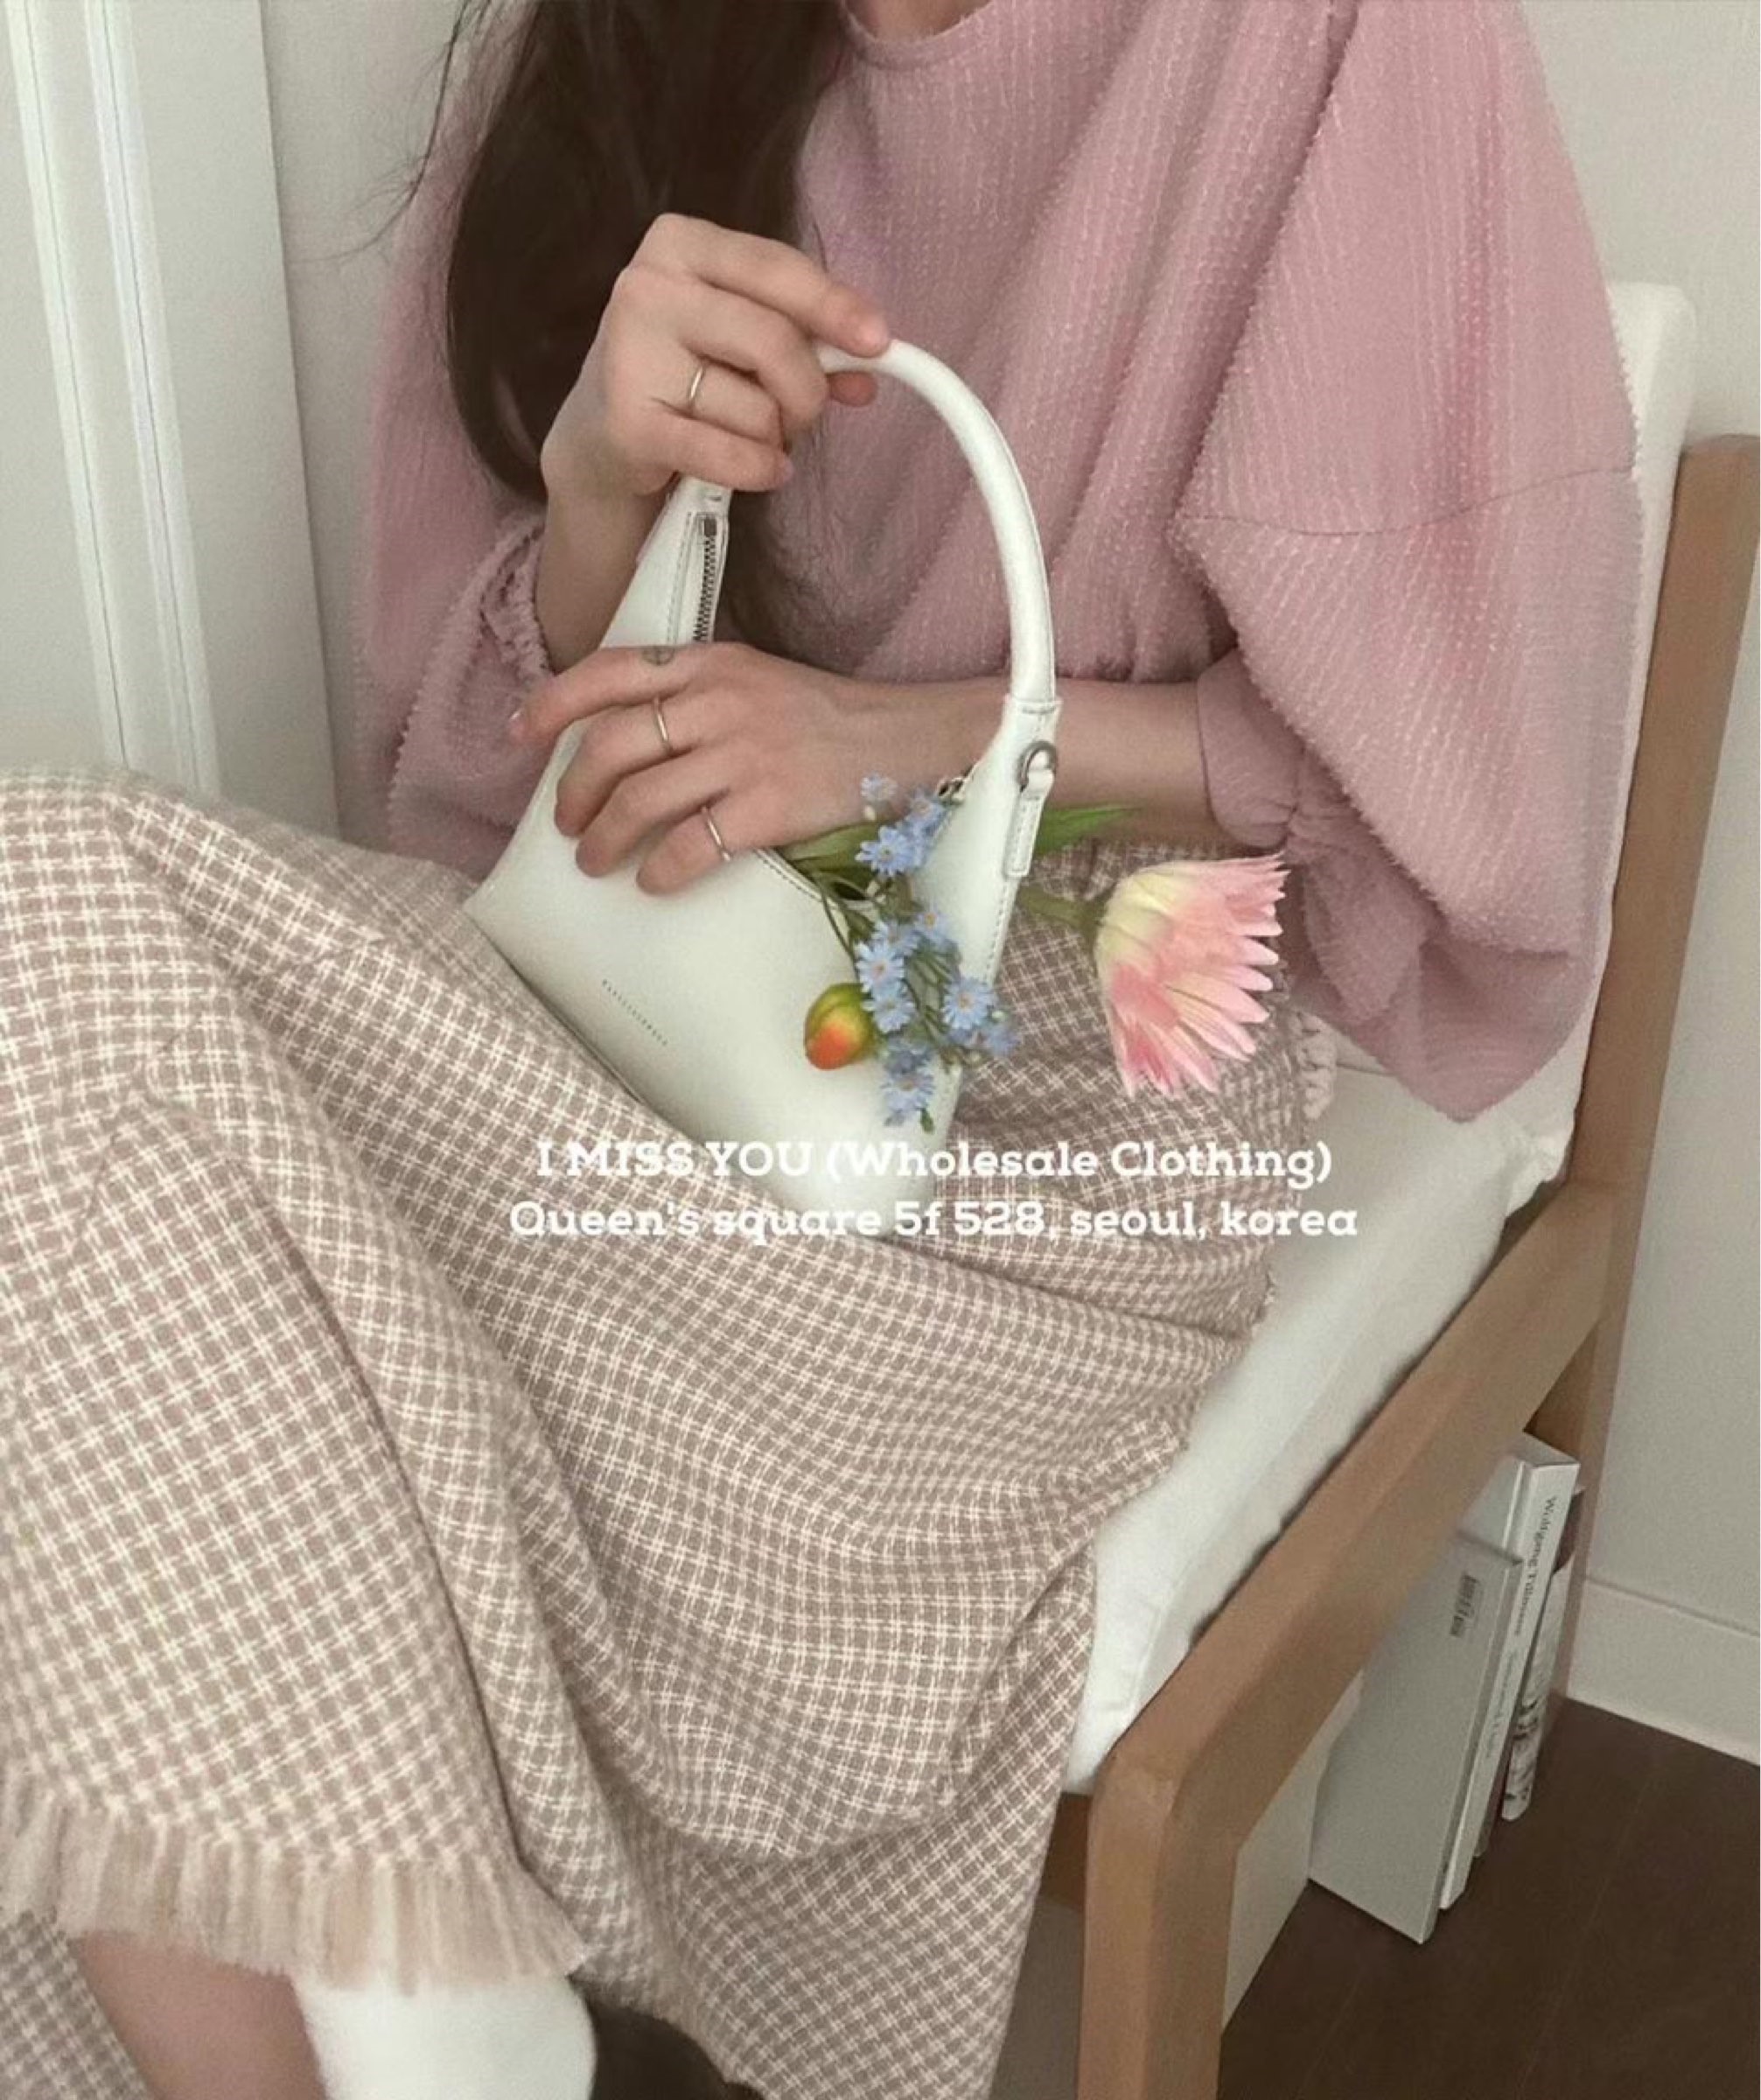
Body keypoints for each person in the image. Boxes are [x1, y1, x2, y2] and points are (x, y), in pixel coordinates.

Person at [0, 1, 1641, 2096]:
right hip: (628, 991)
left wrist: (918, 746)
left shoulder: (1337, 38)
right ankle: (433, 2033)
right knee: (44, 957)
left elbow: (1463, 784)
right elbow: (479, 784)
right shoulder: (624, 37)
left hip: (1030, 1115)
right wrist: (599, 492)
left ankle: (436, 2026)